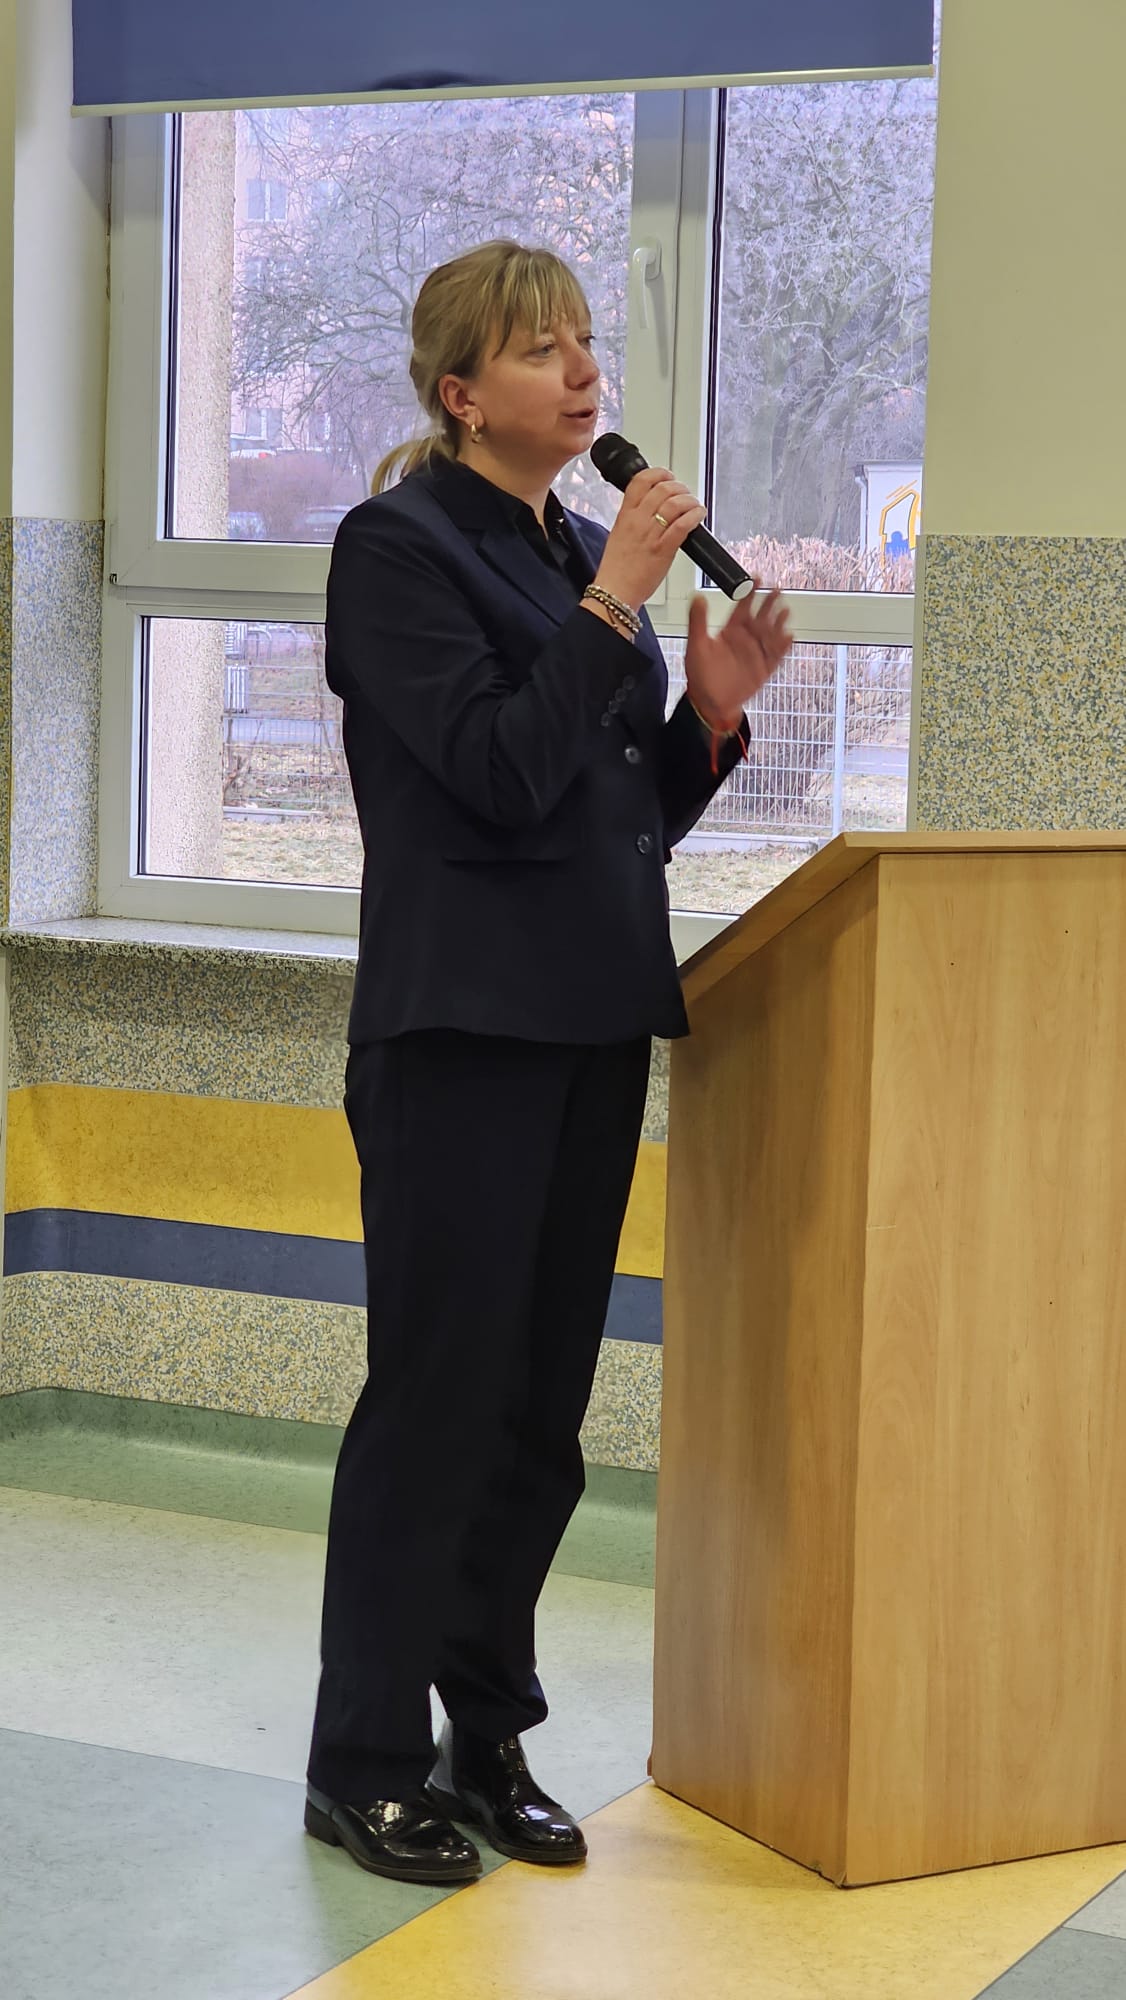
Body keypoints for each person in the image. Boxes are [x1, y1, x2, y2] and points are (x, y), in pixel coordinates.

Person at [304, 240, 792, 1886]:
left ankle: (485, 1737)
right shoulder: (396, 548)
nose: (583, 373)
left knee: (536, 1417)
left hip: (587, 1023)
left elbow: (606, 816)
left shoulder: (578, 550)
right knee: (437, 1405)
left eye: (585, 343)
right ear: (461, 393)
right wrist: (615, 608)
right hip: (456, 1035)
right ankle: (362, 1760)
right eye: (541, 350)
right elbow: (497, 773)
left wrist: (703, 720)